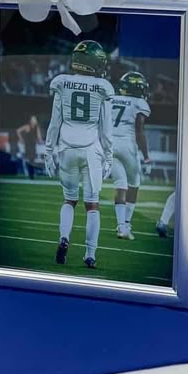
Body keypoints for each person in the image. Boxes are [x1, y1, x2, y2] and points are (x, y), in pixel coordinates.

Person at [44, 40, 114, 269]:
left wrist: (48, 151)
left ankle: (64, 238)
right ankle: (90, 254)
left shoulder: (62, 83)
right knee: (92, 205)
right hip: (91, 150)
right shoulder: (102, 86)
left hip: (66, 148)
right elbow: (105, 128)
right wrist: (109, 155)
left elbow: (55, 122)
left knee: (69, 200)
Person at [109, 71, 152, 240]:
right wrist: (146, 157)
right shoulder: (139, 103)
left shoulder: (111, 98)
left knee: (120, 184)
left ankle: (121, 227)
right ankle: (126, 223)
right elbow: (139, 131)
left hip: (110, 144)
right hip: (127, 145)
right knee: (134, 184)